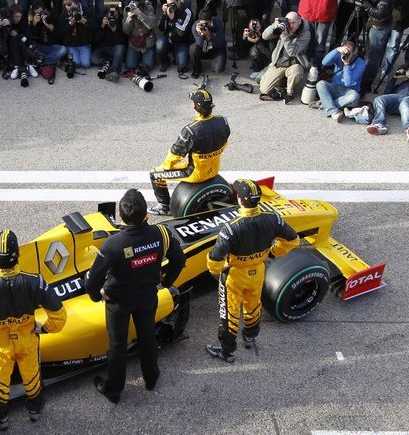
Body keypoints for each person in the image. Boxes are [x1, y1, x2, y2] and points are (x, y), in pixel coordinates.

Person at [0, 229, 67, 429]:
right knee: (32, 377)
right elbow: (60, 317)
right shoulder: (36, 281)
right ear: (18, 255)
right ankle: (35, 412)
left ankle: (2, 420)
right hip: (28, 340)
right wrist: (44, 328)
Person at [85, 188, 186, 403]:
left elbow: (92, 281)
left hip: (118, 302)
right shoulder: (162, 234)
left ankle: (113, 390)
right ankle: (151, 378)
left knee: (117, 345)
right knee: (147, 337)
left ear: (121, 216)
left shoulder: (112, 244)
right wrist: (164, 283)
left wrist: (97, 296)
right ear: (146, 215)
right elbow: (179, 260)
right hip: (148, 297)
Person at [205, 179, 300, 363]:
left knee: (229, 313)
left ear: (240, 200)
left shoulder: (231, 228)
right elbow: (293, 240)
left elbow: (215, 259)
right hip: (258, 270)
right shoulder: (273, 218)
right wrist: (272, 252)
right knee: (253, 305)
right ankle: (249, 337)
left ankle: (228, 352)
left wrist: (218, 271)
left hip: (234, 275)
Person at [149, 87, 230, 216]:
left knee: (154, 174)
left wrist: (165, 168)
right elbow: (225, 143)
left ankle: (165, 207)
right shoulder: (223, 121)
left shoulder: (190, 131)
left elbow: (175, 155)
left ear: (195, 107)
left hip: (195, 173)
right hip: (214, 169)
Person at [367, 63, 409, 141]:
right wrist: (394, 78)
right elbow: (387, 93)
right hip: (397, 99)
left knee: (405, 101)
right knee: (379, 99)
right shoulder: (403, 83)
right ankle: (378, 124)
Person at [258, 12, 311, 102]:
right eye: (288, 23)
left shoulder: (305, 34)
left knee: (296, 72)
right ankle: (281, 82)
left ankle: (288, 92)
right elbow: (264, 36)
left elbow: (292, 52)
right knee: (264, 90)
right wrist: (274, 27)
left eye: (293, 23)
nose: (290, 26)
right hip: (279, 63)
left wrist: (284, 35)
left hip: (295, 64)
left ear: (299, 21)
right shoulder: (283, 26)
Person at [314, 41, 364, 122]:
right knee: (320, 84)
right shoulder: (339, 56)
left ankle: (326, 104)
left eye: (349, 52)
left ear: (354, 52)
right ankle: (333, 110)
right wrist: (337, 50)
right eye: (344, 51)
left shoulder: (360, 63)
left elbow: (348, 83)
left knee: (354, 96)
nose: (346, 55)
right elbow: (324, 62)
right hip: (335, 88)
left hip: (349, 92)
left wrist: (346, 65)